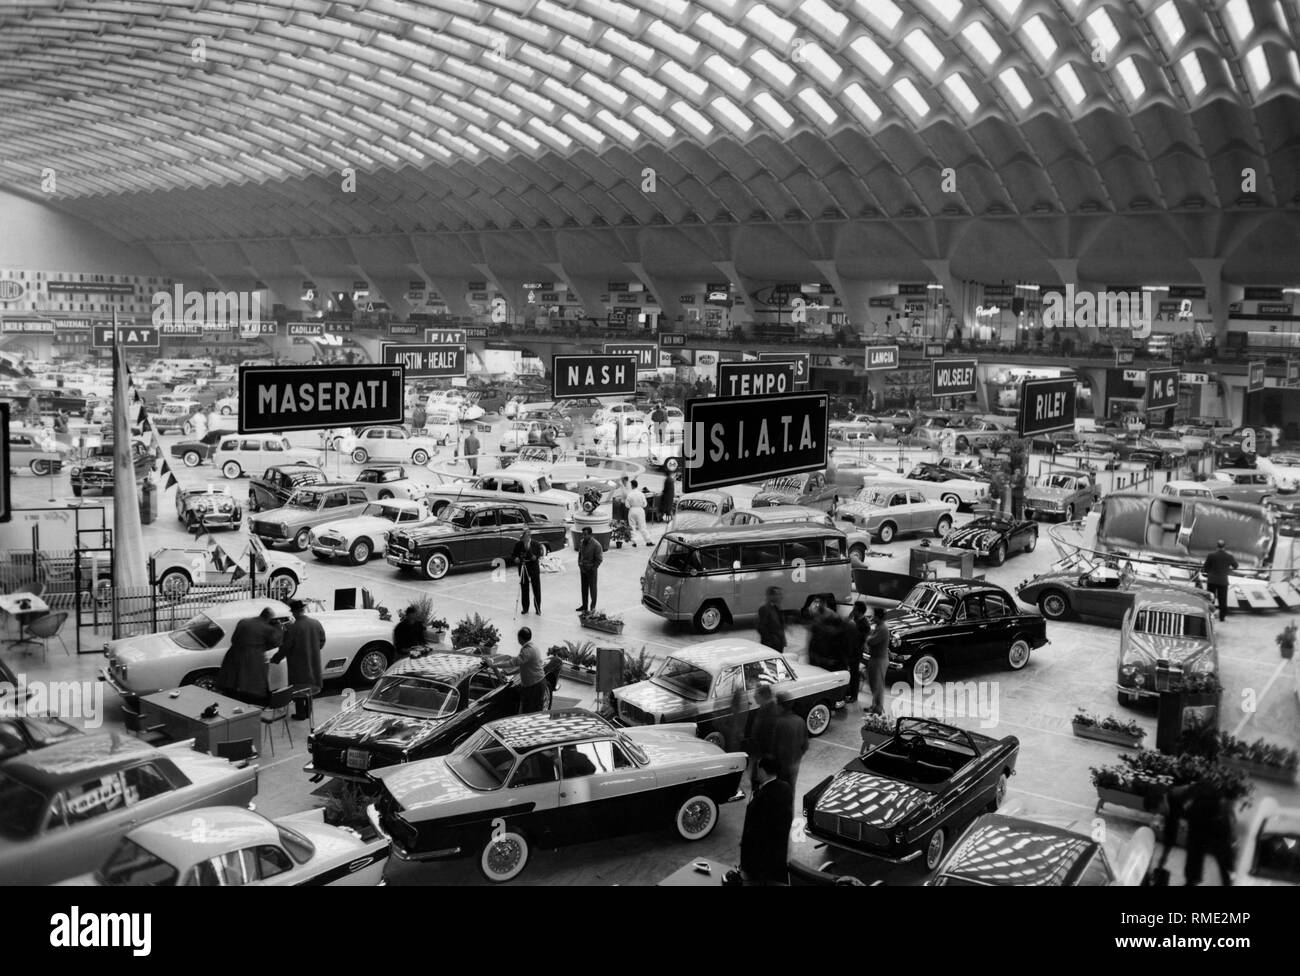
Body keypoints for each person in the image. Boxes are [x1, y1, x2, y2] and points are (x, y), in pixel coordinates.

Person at [1159, 779, 1236, 886]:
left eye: (1158, 810)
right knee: (1193, 849)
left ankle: (1228, 879)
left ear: (1162, 800)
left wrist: (1229, 829)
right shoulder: (1170, 807)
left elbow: (1211, 791)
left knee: (1222, 855)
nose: (1160, 813)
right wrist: (1163, 859)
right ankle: (1192, 880)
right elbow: (1170, 833)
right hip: (1197, 823)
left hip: (1216, 818)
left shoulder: (1178, 795)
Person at [739, 755, 793, 885]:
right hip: (777, 854)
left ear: (762, 770)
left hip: (759, 860)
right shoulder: (785, 788)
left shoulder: (762, 798)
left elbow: (753, 832)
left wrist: (746, 862)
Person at [271, 599, 325, 720]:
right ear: (303, 610)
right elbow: (322, 640)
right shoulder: (316, 623)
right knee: (310, 686)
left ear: (294, 613)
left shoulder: (292, 628)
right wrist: (314, 650)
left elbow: (285, 647)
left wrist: (276, 659)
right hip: (313, 660)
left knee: (299, 687)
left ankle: (300, 713)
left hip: (297, 662)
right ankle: (308, 712)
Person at [217, 607, 282, 706]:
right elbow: (277, 642)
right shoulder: (267, 628)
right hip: (252, 656)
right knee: (252, 680)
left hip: (234, 652)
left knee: (232, 677)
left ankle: (231, 698)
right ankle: (252, 702)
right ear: (269, 618)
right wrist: (278, 627)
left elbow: (233, 638)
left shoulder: (243, 621)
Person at [770, 690, 808, 799]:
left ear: (781, 706)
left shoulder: (779, 723)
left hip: (782, 765)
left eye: (777, 704)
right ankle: (789, 812)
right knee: (791, 790)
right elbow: (805, 745)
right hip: (795, 763)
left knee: (780, 791)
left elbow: (774, 746)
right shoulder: (800, 721)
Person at [744, 683, 781, 790]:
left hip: (764, 754)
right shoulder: (765, 708)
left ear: (763, 696)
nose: (754, 697)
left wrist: (764, 755)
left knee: (762, 780)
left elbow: (770, 735)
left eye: (756, 695)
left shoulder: (771, 711)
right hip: (759, 752)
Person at [1202, 539, 1238, 622]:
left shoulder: (1211, 555)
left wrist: (1210, 571)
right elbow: (1236, 566)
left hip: (1212, 580)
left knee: (1210, 599)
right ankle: (1222, 617)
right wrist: (1227, 568)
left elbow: (1206, 567)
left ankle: (1209, 616)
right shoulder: (1229, 556)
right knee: (1223, 600)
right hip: (1223, 581)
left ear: (1217, 546)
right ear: (1225, 546)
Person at [510, 526, 544, 614]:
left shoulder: (536, 544)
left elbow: (540, 553)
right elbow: (513, 555)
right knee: (524, 588)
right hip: (523, 567)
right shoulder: (518, 544)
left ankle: (538, 608)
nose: (523, 538)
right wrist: (515, 559)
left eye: (524, 536)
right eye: (522, 536)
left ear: (529, 536)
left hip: (533, 567)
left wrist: (535, 557)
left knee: (536, 588)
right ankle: (525, 608)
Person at [865, 607, 890, 715]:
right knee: (873, 683)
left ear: (879, 617)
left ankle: (878, 709)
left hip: (879, 660)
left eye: (874, 615)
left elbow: (871, 641)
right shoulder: (878, 627)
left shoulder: (883, 629)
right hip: (875, 658)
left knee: (877, 685)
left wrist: (867, 638)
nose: (872, 617)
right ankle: (874, 706)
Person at [516, 627, 547, 713]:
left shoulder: (528, 650)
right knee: (531, 710)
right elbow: (522, 665)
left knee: (532, 712)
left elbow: (514, 662)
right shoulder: (532, 646)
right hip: (536, 683)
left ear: (520, 638)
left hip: (535, 685)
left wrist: (495, 665)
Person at [846, 601, 869, 707]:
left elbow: (860, 639)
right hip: (849, 650)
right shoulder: (854, 619)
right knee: (848, 672)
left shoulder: (864, 624)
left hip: (856, 652)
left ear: (859, 611)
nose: (852, 611)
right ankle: (848, 692)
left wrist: (852, 624)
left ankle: (854, 696)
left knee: (854, 674)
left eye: (854, 609)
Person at [576, 525, 603, 615]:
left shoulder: (596, 545)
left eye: (585, 534)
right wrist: (580, 564)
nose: (583, 536)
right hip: (583, 569)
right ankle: (584, 605)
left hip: (591, 571)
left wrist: (592, 568)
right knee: (584, 588)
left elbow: (599, 560)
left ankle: (592, 607)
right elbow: (580, 554)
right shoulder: (582, 542)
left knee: (593, 589)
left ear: (591, 535)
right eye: (582, 534)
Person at [756, 586, 786, 653]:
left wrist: (782, 641)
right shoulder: (764, 609)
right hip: (771, 645)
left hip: (778, 644)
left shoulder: (776, 607)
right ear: (771, 596)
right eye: (779, 594)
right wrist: (772, 640)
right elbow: (761, 627)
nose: (781, 597)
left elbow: (780, 626)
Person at [625, 478, 654, 546]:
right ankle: (648, 541)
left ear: (632, 486)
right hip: (640, 510)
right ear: (637, 485)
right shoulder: (641, 494)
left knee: (632, 526)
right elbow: (645, 504)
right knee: (643, 526)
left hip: (632, 510)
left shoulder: (630, 494)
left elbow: (627, 505)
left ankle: (634, 542)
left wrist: (631, 506)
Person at [1277, 619, 1298, 702]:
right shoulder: (1291, 635)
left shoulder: (1291, 634)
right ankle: (1296, 690)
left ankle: (1296, 690)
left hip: (1291, 653)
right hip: (1291, 652)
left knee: (1296, 674)